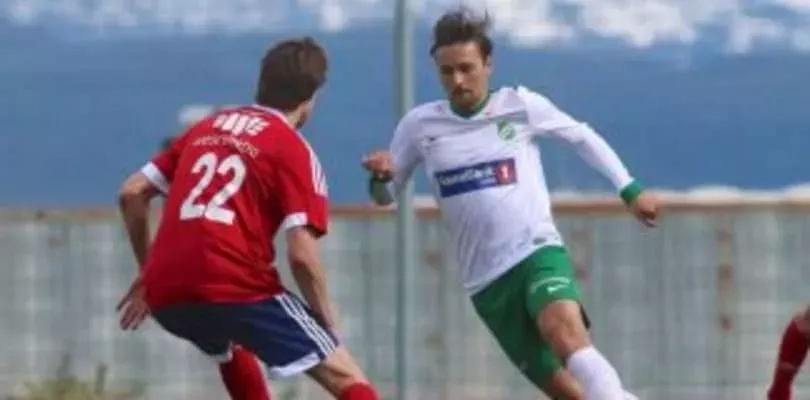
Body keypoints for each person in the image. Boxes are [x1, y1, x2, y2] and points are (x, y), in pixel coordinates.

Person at [363, 9, 657, 400]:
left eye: (466, 68)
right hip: (486, 283)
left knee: (564, 333)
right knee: (570, 393)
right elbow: (386, 198)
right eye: (447, 71)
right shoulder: (419, 126)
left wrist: (630, 190)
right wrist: (381, 178)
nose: (457, 80)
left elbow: (581, 137)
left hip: (536, 252)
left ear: (488, 64)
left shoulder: (520, 105)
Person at [116, 37, 379, 400]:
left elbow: (132, 192)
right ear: (311, 98)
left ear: (262, 84)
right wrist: (329, 329)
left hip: (167, 293)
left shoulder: (208, 127)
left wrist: (148, 273)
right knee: (346, 375)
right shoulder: (292, 148)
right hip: (237, 286)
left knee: (231, 343)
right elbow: (302, 256)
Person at [768, 305, 810, 400]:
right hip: (790, 360)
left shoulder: (798, 324)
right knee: (783, 381)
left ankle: (775, 395)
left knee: (782, 381)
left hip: (789, 359)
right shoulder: (801, 329)